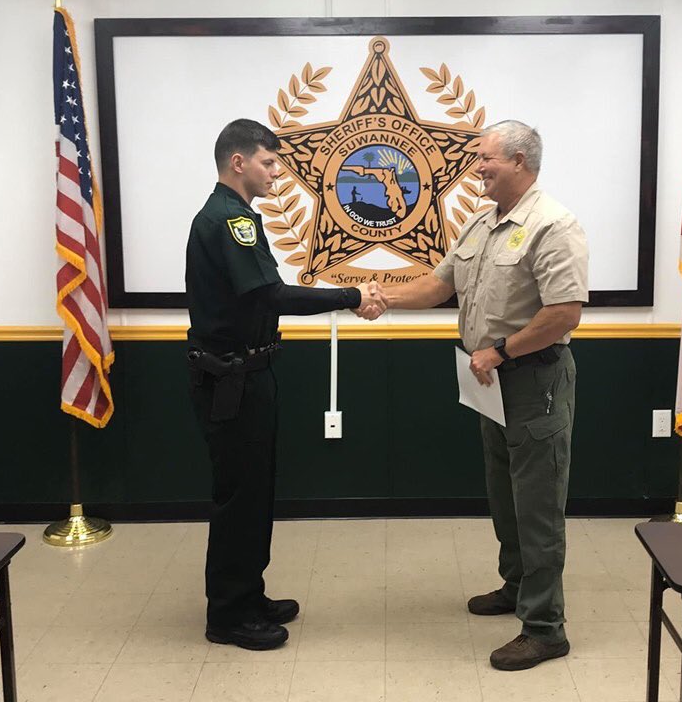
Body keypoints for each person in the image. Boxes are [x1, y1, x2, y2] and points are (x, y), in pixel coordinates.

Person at [378, 120, 589, 671]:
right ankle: (516, 586)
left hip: (532, 380)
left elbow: (564, 313)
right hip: (488, 380)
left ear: (519, 160)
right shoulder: (481, 222)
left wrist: (499, 350)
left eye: (486, 158)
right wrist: (380, 297)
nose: (477, 168)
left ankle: (545, 628)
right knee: (504, 493)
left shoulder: (553, 225)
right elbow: (439, 285)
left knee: (538, 504)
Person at [185, 119, 386, 651]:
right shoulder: (229, 220)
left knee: (255, 493)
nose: (276, 172)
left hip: (246, 373)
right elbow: (271, 295)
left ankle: (248, 596)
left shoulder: (233, 216)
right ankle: (228, 615)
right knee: (239, 498)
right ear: (238, 162)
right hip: (232, 380)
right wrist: (350, 296)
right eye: (268, 162)